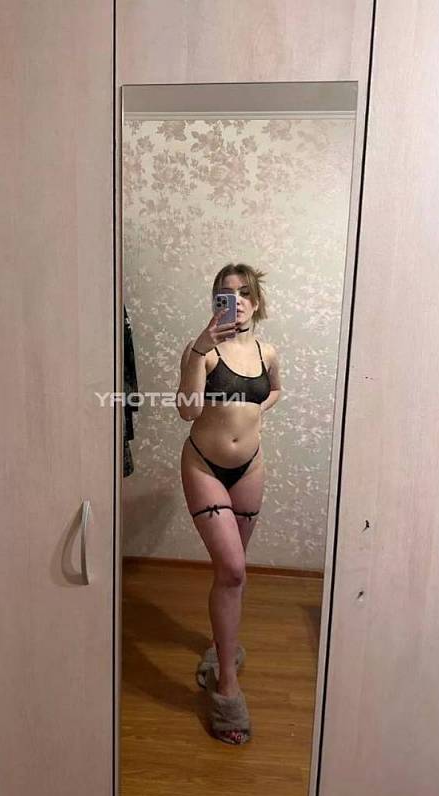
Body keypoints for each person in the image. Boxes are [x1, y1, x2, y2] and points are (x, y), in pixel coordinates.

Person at [177, 263, 282, 745]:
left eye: (242, 293)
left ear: (255, 302)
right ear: (215, 301)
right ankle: (227, 687)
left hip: (250, 468)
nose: (234, 300)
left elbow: (274, 388)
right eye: (225, 293)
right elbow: (188, 410)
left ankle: (223, 649)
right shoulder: (202, 351)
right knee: (234, 569)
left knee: (231, 575)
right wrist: (200, 349)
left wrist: (257, 407)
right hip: (204, 466)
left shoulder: (266, 352)